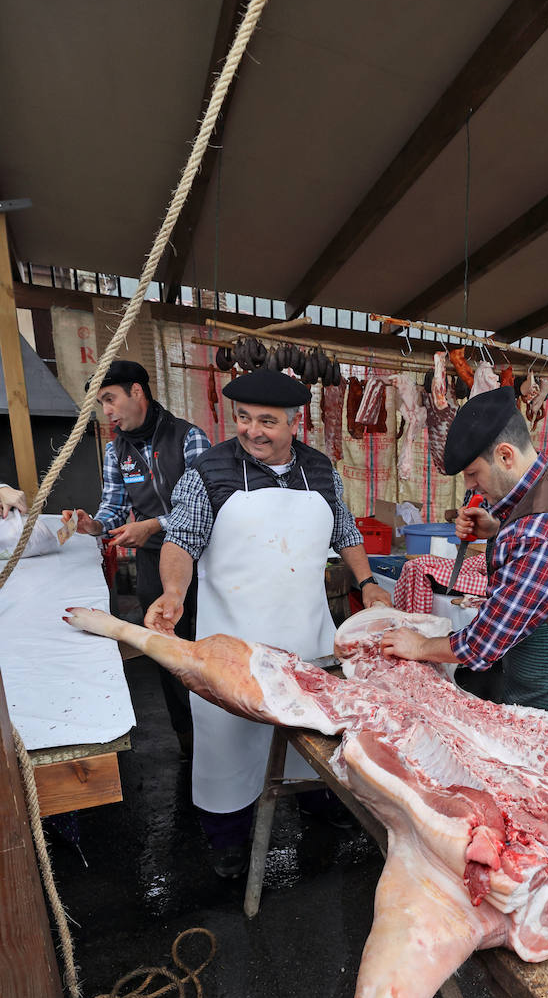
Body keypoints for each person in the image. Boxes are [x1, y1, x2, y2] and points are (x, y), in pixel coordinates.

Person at [144, 367, 391, 876]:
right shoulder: (209, 471)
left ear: (294, 423)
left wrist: (366, 581)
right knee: (229, 743)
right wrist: (173, 592)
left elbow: (344, 529)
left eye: (267, 421)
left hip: (308, 638)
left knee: (314, 737)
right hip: (235, 641)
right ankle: (228, 840)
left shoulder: (321, 470)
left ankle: (322, 808)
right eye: (243, 418)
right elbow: (181, 540)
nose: (253, 430)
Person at [379, 387, 548, 716]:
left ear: (506, 456)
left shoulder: (545, 525)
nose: (469, 486)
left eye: (472, 474)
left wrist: (420, 646)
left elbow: (484, 644)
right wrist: (497, 530)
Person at [62, 360, 210, 753]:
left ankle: (222, 731)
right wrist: (91, 524)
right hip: (151, 564)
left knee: (205, 641)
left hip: (201, 559)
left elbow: (210, 505)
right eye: (101, 404)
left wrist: (154, 524)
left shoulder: (187, 438)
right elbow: (113, 508)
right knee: (164, 646)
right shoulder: (117, 450)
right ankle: (188, 740)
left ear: (137, 392)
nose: (106, 411)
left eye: (110, 400)